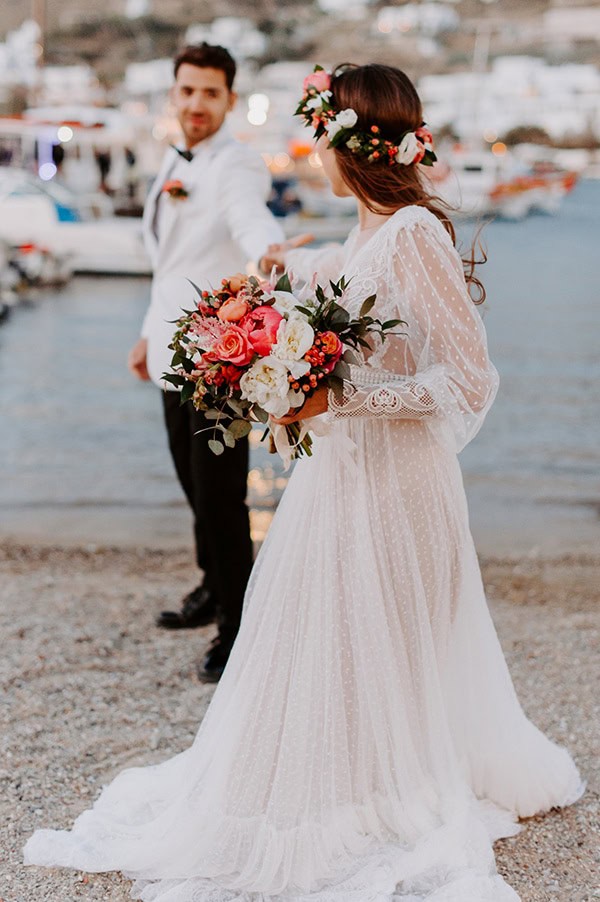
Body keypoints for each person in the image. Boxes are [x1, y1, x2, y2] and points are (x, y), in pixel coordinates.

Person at [25, 63, 583, 900]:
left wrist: (342, 395)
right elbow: (331, 292)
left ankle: (384, 783)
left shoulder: (414, 236)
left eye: (322, 133)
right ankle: (347, 774)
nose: (314, 149)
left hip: (398, 484)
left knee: (381, 637)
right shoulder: (364, 234)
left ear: (350, 144)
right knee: (333, 637)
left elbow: (470, 377)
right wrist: (264, 325)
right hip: (341, 479)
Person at [127, 43, 285, 681]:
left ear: (229, 99)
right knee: (191, 482)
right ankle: (211, 586)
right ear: (175, 93)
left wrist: (269, 250)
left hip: (221, 358)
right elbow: (170, 267)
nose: (196, 104)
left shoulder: (235, 164)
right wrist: (146, 335)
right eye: (187, 91)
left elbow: (249, 218)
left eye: (209, 93)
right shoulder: (172, 158)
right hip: (171, 349)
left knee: (220, 494)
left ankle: (238, 625)